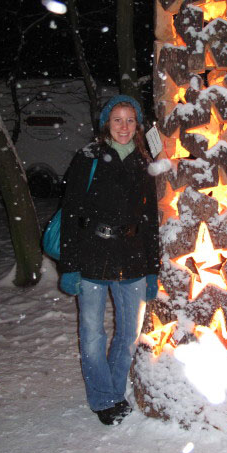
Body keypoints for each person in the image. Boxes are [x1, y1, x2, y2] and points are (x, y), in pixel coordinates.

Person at [58, 95, 160, 425]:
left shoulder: (144, 162)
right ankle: (104, 399)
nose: (124, 127)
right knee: (91, 335)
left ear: (138, 125)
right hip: (91, 254)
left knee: (128, 334)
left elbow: (150, 219)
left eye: (130, 120)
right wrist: (70, 265)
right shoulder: (88, 157)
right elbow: (72, 213)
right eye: (117, 119)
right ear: (107, 123)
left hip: (131, 258)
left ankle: (115, 391)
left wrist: (152, 269)